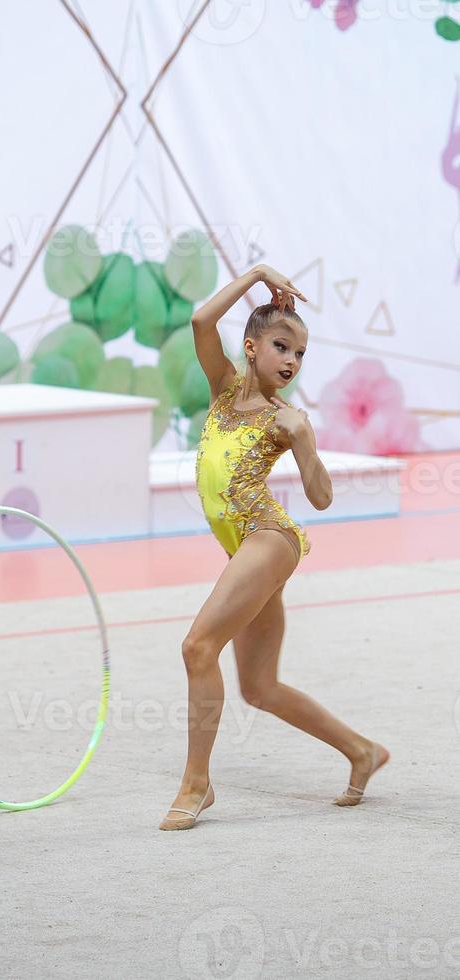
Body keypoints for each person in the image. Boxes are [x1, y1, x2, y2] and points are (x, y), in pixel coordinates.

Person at [158, 264, 390, 830]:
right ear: (251, 346)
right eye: (281, 346)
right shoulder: (223, 392)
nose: (291, 361)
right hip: (245, 548)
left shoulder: (286, 421)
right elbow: (199, 319)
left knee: (197, 647)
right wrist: (257, 274)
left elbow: (323, 499)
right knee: (258, 687)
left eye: (301, 353)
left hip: (270, 539)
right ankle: (363, 751)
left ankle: (197, 784)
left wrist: (307, 443)